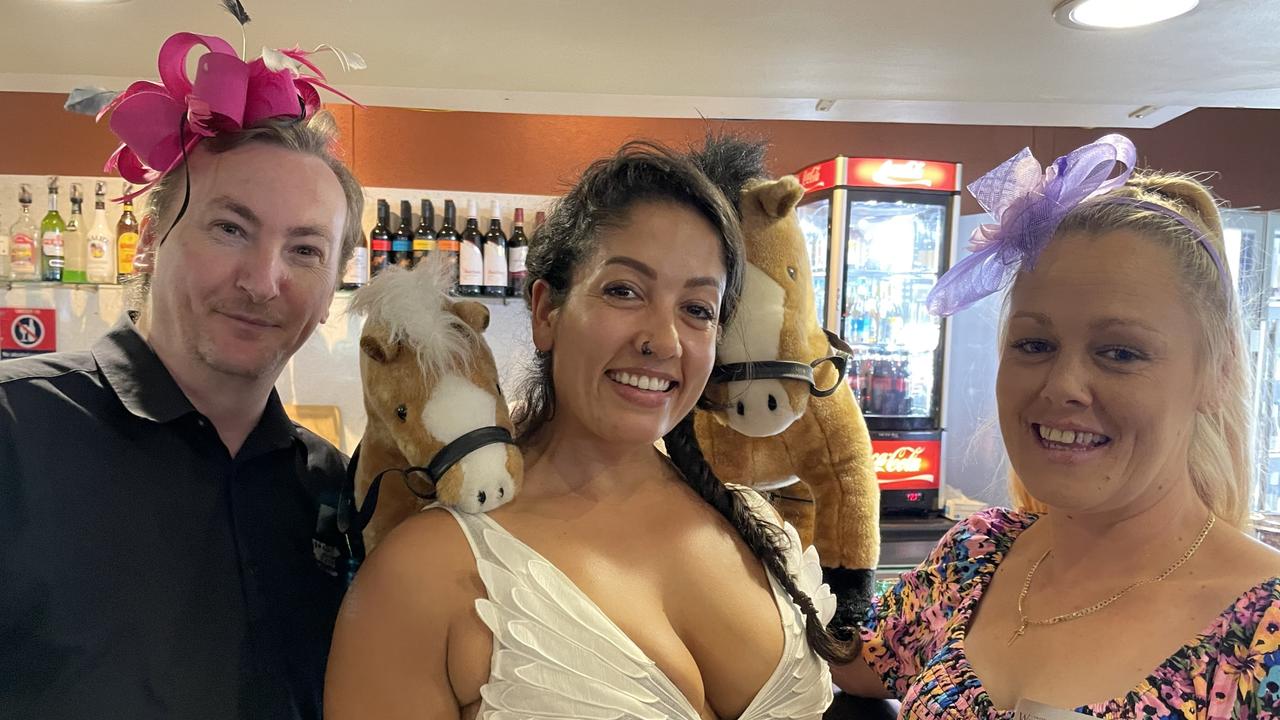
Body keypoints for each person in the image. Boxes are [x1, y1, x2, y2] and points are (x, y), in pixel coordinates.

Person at [325, 140, 854, 719]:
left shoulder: (758, 527)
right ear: (547, 311)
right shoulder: (423, 573)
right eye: (624, 291)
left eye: (697, 309)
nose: (664, 340)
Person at [831, 135, 1280, 716]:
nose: (1062, 385)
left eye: (1120, 352)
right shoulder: (975, 558)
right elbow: (844, 662)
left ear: (1216, 375)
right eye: (1035, 344)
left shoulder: (1265, 630)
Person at [0, 34, 365, 720]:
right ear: (148, 241)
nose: (263, 281)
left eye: (306, 249)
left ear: (333, 285)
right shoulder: (15, 435)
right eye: (230, 229)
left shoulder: (339, 495)